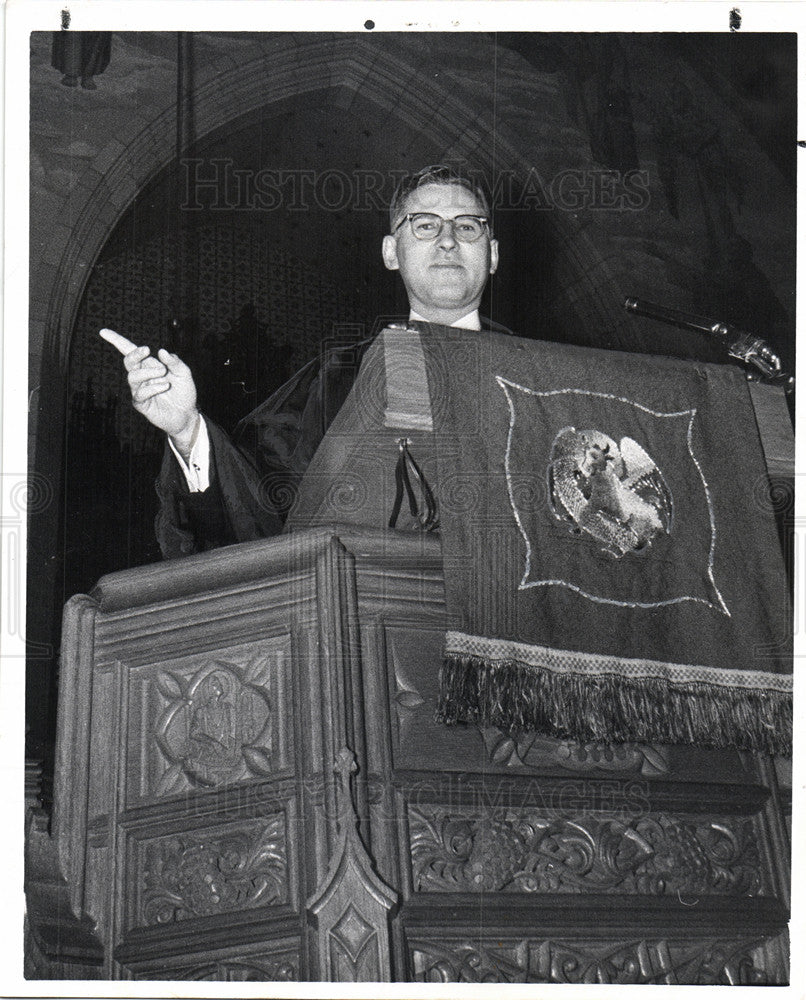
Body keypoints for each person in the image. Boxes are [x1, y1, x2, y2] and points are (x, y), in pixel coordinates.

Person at [101, 164, 506, 557]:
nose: (448, 239)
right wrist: (187, 429)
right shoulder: (337, 378)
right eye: (426, 224)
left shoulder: (547, 379)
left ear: (491, 254)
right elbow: (263, 511)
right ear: (390, 252)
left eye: (468, 225)